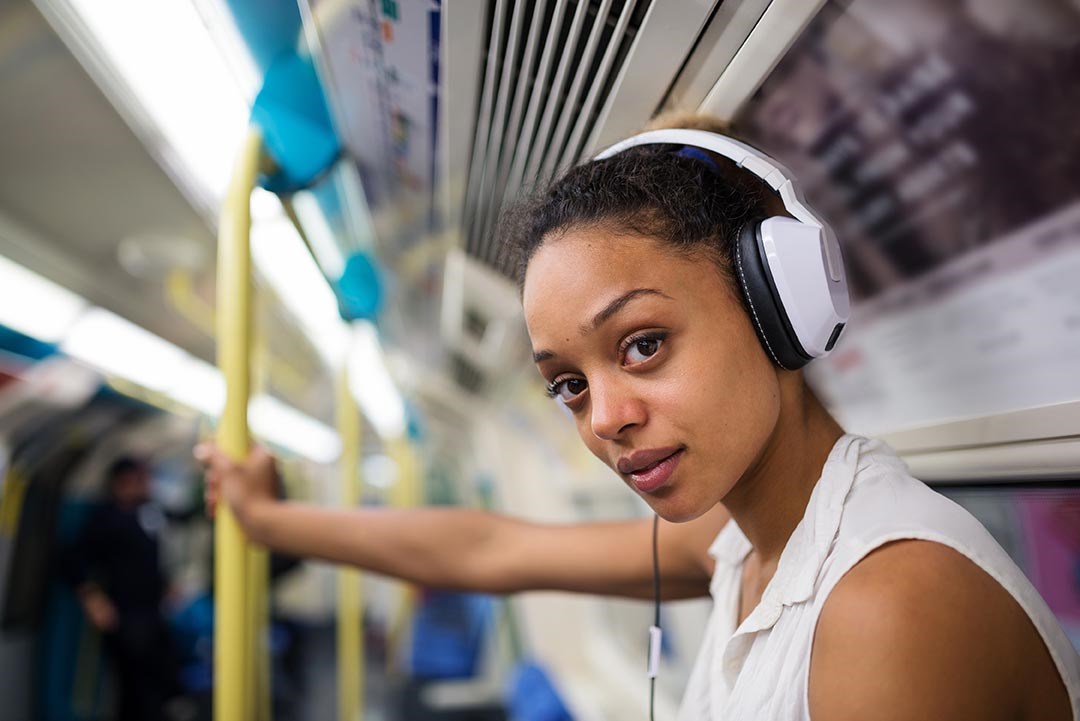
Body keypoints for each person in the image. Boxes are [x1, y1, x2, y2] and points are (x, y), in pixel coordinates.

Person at [196, 113, 1079, 720]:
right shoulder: (748, 545)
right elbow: (490, 550)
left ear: (779, 304)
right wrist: (269, 519)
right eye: (568, 383)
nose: (605, 418)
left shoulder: (888, 603)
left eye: (643, 343)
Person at [62, 455, 179, 721]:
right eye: (140, 479)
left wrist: (166, 585)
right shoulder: (106, 519)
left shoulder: (147, 513)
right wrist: (93, 600)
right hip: (125, 615)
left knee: (160, 678)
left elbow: (149, 562)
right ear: (122, 482)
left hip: (151, 612)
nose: (146, 485)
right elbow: (72, 559)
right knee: (135, 688)